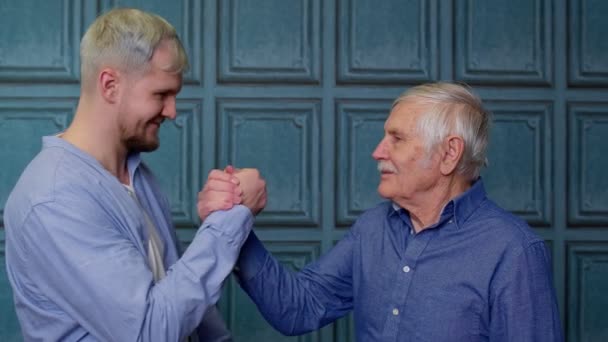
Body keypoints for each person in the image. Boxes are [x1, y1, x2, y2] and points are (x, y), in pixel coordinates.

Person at [3, 8, 266, 341]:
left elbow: (180, 296)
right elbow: (148, 330)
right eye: (161, 95)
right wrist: (231, 220)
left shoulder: (136, 175)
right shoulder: (55, 198)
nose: (172, 112)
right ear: (110, 85)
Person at [227, 82, 564, 341]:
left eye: (397, 139)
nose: (377, 152)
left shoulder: (513, 250)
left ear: (449, 154)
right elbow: (299, 308)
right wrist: (234, 221)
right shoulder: (373, 228)